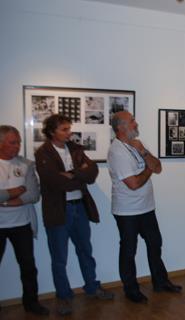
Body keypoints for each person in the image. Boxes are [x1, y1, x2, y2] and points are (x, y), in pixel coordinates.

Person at [35, 115, 113, 316]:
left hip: (80, 208)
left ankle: (92, 287)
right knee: (59, 257)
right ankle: (63, 296)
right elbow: (54, 181)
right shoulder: (43, 152)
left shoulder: (75, 149)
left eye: (69, 128)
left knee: (85, 250)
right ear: (52, 131)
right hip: (58, 211)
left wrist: (73, 174)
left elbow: (92, 172)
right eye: (64, 129)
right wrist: (79, 175)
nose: (69, 132)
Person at [108, 111, 182, 303]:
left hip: (146, 207)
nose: (136, 123)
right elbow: (134, 184)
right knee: (129, 250)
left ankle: (160, 281)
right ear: (121, 127)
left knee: (155, 244)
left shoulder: (138, 144)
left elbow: (158, 167)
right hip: (127, 211)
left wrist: (143, 152)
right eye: (132, 121)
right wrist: (148, 168)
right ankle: (131, 289)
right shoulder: (116, 151)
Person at [0, 126, 49, 316]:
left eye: (19, 141)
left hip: (21, 225)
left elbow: (34, 195)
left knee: (28, 267)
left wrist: (4, 202)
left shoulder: (26, 164)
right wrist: (12, 193)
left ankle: (31, 303)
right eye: (13, 142)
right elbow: (22, 192)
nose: (18, 146)